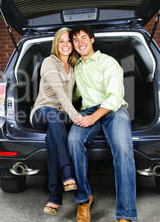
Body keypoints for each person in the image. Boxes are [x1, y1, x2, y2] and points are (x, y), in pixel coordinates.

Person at [68, 24, 138, 222]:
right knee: (73, 140)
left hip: (114, 110)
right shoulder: (77, 67)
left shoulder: (109, 63)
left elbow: (114, 98)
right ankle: (84, 199)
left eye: (83, 38)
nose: (79, 43)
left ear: (92, 40)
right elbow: (73, 95)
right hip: (89, 110)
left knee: (123, 151)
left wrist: (92, 118)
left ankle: (125, 214)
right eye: (75, 40)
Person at [30, 27, 83, 215]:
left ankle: (54, 198)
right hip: (42, 112)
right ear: (56, 44)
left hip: (62, 117)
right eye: (62, 41)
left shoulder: (75, 66)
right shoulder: (49, 62)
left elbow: (76, 94)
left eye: (69, 41)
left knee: (53, 138)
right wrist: (75, 116)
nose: (66, 44)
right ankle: (67, 173)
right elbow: (60, 94)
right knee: (53, 116)